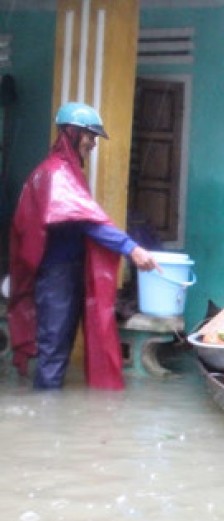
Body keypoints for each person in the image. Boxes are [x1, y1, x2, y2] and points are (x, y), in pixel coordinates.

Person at [8, 102, 159, 390]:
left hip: (68, 271)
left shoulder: (67, 171)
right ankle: (45, 414)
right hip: (55, 274)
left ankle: (50, 417)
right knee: (53, 349)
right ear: (72, 133)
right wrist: (131, 248)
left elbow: (84, 220)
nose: (92, 144)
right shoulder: (56, 174)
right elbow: (88, 223)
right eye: (90, 136)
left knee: (60, 345)